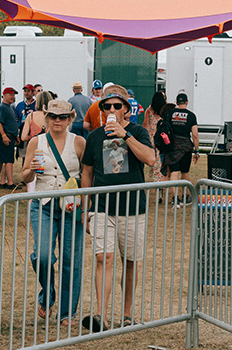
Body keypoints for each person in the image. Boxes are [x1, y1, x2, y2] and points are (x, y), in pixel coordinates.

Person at [80, 84, 156, 332]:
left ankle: (126, 314)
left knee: (130, 261)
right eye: (107, 106)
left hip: (133, 208)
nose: (112, 109)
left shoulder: (138, 132)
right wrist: (85, 209)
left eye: (117, 105)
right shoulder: (94, 137)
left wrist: (124, 135)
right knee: (104, 258)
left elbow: (150, 159)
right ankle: (100, 315)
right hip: (103, 207)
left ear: (126, 109)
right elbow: (87, 173)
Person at [19, 99, 86, 326]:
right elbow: (24, 176)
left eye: (63, 117)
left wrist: (85, 205)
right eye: (53, 117)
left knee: (71, 258)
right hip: (43, 204)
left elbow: (87, 177)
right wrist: (32, 171)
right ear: (46, 118)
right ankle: (47, 294)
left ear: (70, 119)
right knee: (43, 254)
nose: (58, 121)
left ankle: (67, 312)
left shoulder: (79, 143)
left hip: (71, 206)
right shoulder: (36, 142)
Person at [162, 93, 198, 203]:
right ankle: (185, 197)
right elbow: (195, 135)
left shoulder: (169, 114)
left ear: (176, 103)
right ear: (187, 102)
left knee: (174, 172)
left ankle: (175, 198)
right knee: (185, 172)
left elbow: (164, 129)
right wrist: (197, 150)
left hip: (172, 146)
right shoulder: (191, 115)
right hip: (186, 146)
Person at [0, 88, 20, 187]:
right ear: (4, 95)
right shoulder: (2, 107)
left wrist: (15, 136)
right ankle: (10, 183)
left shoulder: (9, 107)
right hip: (6, 137)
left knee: (6, 160)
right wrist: (4, 135)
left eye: (14, 95)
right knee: (9, 161)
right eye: (10, 94)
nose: (12, 97)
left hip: (11, 137)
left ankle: (3, 182)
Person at [142, 91, 167, 182]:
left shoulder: (150, 110)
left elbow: (145, 124)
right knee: (161, 156)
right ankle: (161, 174)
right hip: (162, 135)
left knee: (154, 156)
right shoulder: (165, 110)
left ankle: (155, 174)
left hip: (152, 135)